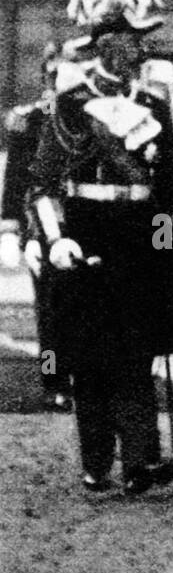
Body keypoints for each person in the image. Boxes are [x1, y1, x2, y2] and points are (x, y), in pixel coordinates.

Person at [27, 0, 173, 494]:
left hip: (139, 238)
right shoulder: (71, 106)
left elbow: (170, 188)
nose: (135, 50)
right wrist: (55, 240)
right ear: (103, 44)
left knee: (136, 352)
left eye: (138, 41)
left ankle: (142, 458)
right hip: (87, 232)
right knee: (90, 358)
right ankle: (97, 458)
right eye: (124, 40)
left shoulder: (155, 107)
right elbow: (43, 184)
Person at [0, 43, 73, 411]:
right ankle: (54, 381)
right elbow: (15, 179)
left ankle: (84, 378)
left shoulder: (87, 111)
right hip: (42, 225)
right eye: (55, 74)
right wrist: (12, 229)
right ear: (46, 76)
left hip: (84, 219)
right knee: (50, 312)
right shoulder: (31, 119)